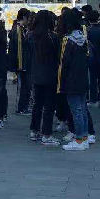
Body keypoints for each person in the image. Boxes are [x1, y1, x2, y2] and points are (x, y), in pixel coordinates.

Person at [56, 8, 90, 151]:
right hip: (82, 78)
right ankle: (84, 138)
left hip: (71, 80)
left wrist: (60, 84)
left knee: (76, 111)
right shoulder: (82, 38)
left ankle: (79, 139)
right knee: (82, 109)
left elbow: (63, 64)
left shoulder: (67, 40)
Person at [27, 10, 60, 145]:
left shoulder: (30, 36)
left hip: (36, 74)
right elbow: (58, 57)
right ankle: (46, 134)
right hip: (50, 75)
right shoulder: (53, 37)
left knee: (37, 104)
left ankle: (34, 130)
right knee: (49, 106)